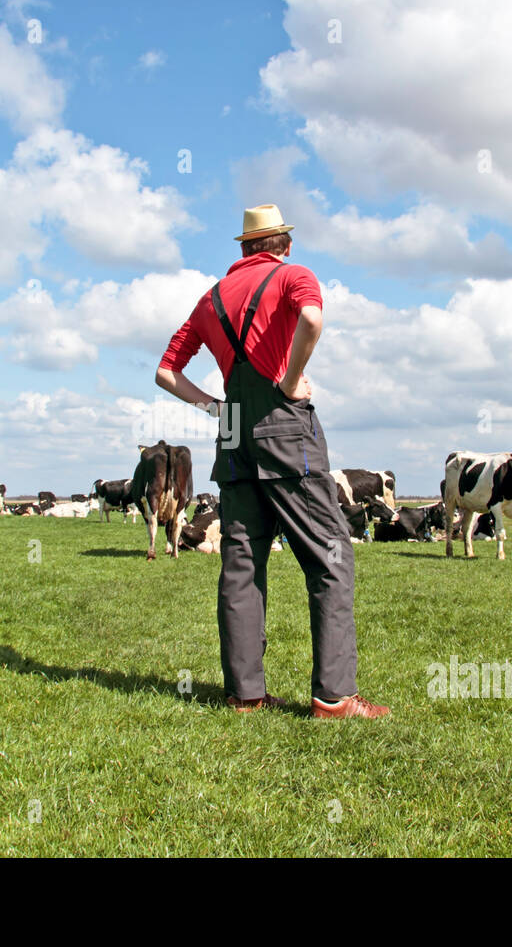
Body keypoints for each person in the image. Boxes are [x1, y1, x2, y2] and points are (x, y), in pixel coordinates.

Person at [154, 204, 390, 720]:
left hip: (232, 433)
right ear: (281, 244)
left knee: (241, 564)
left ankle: (246, 695)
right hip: (286, 429)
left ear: (243, 249)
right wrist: (288, 379)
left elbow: (166, 372)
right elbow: (311, 318)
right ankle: (334, 696)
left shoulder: (209, 299)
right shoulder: (294, 277)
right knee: (331, 558)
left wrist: (215, 407)